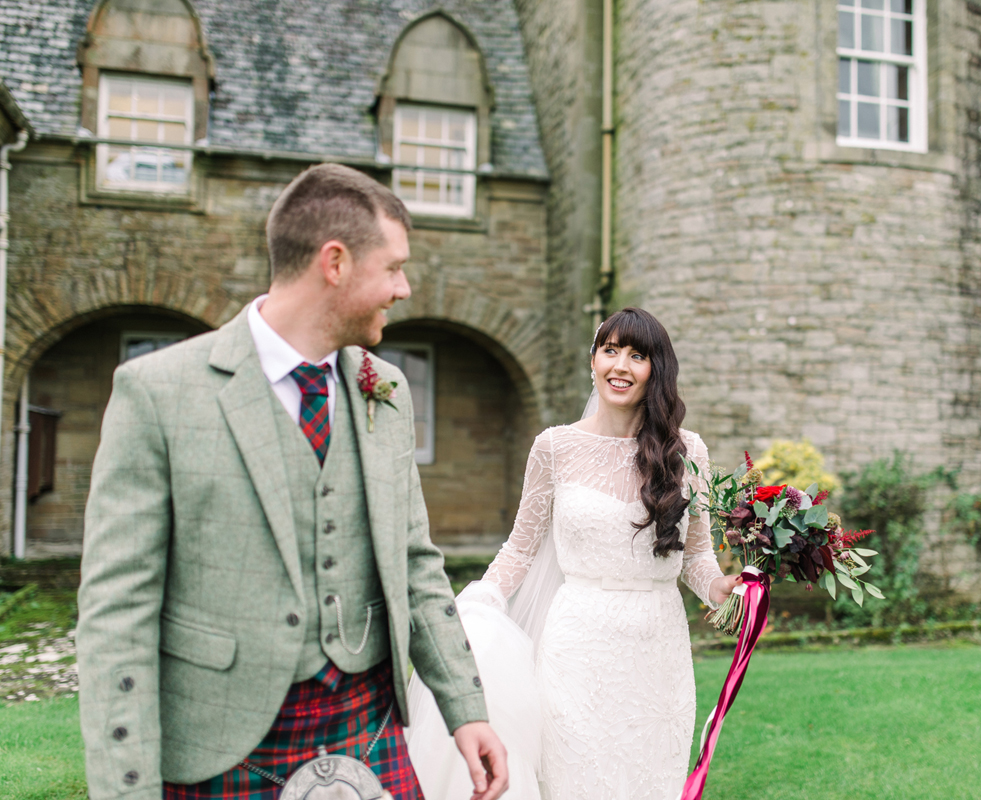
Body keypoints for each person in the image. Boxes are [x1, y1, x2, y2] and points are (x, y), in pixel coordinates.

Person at [75, 163, 508, 800]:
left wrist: (466, 707)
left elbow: (416, 564)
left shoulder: (385, 390)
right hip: (224, 744)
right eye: (392, 268)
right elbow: (117, 615)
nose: (405, 288)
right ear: (334, 264)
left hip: (367, 725)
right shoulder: (159, 392)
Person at [406, 307, 740, 800]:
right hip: (578, 644)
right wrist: (481, 602)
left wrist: (724, 588)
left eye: (637, 355)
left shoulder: (687, 451)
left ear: (657, 370)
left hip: (658, 647)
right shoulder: (554, 447)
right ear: (593, 361)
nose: (620, 366)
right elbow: (520, 548)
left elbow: (695, 556)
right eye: (610, 351)